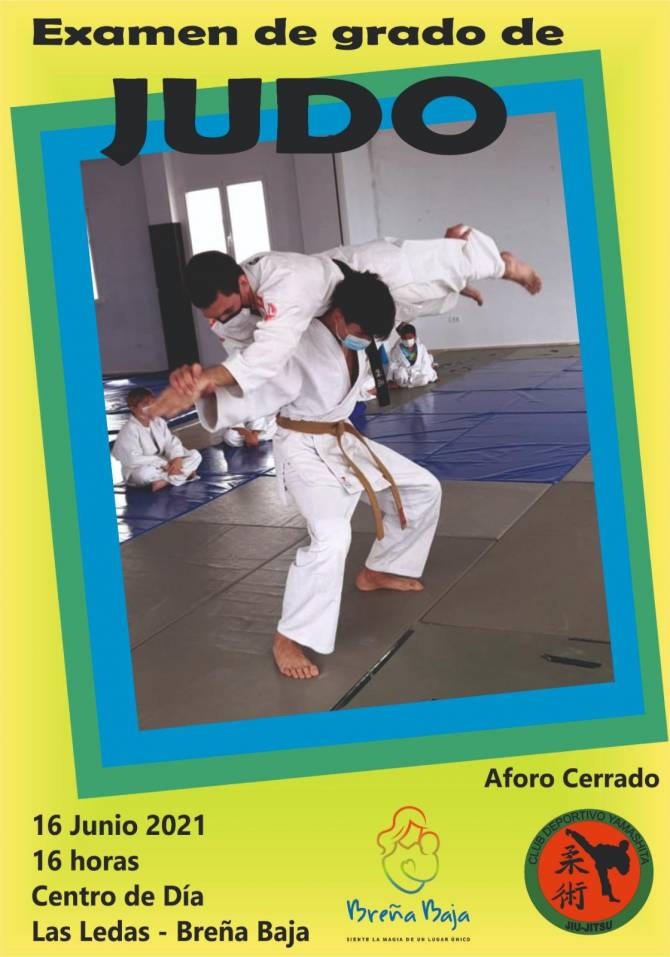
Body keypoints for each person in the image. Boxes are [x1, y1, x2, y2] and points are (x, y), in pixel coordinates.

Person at [171, 269, 442, 680]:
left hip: (344, 440)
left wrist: (459, 273)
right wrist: (208, 387)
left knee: (425, 487)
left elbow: (415, 289)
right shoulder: (298, 344)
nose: (364, 341)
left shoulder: (361, 330)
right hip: (304, 449)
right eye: (359, 333)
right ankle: (289, 636)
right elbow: (256, 379)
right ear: (338, 316)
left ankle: (380, 569)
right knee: (332, 536)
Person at [150, 223, 542, 418]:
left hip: (369, 271)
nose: (223, 321)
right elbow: (244, 355)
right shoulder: (227, 306)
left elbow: (268, 354)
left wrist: (206, 379)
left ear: (241, 283)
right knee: (423, 302)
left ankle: (500, 263)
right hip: (352, 304)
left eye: (227, 311)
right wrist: (201, 384)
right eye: (215, 317)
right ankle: (455, 266)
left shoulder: (284, 283)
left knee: (442, 267)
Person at [112, 387, 201, 492]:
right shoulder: (129, 429)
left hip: (165, 464)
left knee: (195, 455)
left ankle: (165, 481)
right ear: (133, 408)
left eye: (152, 403)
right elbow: (132, 459)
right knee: (143, 474)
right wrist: (162, 463)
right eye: (145, 404)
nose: (150, 407)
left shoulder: (158, 421)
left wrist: (177, 459)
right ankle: (184, 474)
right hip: (141, 468)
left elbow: (170, 442)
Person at [388, 323, 438, 388]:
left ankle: (406, 385)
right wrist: (390, 380)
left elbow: (426, 363)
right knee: (400, 373)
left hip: (416, 374)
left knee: (424, 379)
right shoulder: (397, 349)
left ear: (414, 336)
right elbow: (392, 365)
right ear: (401, 338)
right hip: (404, 374)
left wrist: (433, 377)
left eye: (410, 337)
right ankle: (403, 383)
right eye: (404, 338)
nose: (407, 340)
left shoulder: (421, 347)